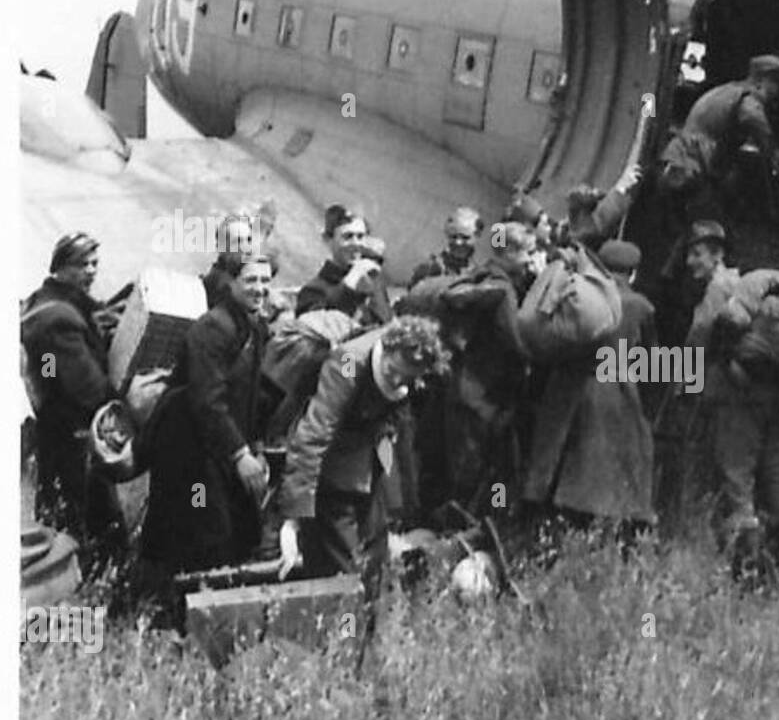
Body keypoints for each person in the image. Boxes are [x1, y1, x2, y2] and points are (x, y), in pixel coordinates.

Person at [278, 317, 448, 622]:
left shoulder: (411, 367)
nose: (396, 382)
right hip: (329, 474)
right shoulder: (347, 362)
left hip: (366, 470)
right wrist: (297, 515)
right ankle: (345, 643)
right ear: (388, 348)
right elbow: (315, 433)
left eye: (405, 379)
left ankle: (365, 642)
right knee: (344, 573)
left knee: (375, 562)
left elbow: (393, 430)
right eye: (392, 372)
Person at [137, 251, 274, 619]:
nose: (260, 289)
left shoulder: (254, 327)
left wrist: (255, 446)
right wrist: (239, 454)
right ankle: (174, 610)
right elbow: (206, 400)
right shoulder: (212, 328)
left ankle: (213, 608)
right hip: (189, 448)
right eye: (251, 281)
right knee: (200, 525)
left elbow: (252, 395)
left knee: (231, 527)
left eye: (265, 281)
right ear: (230, 283)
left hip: (220, 443)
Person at [679, 220, 779, 578]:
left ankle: (748, 568)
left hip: (737, 397)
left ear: (718, 255)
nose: (690, 262)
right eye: (690, 253)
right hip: (774, 393)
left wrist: (684, 384)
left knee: (736, 475)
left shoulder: (720, 289)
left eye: (698, 254)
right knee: (773, 467)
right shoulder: (754, 287)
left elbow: (698, 338)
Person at [522, 239, 656, 531]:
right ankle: (606, 526)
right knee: (609, 462)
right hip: (614, 389)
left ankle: (546, 522)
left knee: (558, 457)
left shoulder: (578, 297)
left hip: (565, 385)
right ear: (633, 273)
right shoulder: (641, 307)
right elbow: (648, 360)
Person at [421, 221, 537, 515]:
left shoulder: (480, 275)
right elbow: (516, 342)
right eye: (528, 253)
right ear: (509, 253)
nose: (531, 261)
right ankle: (467, 526)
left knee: (465, 464)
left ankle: (457, 522)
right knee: (479, 467)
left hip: (465, 387)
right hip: (484, 395)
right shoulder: (502, 291)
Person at [20, 232, 124, 557]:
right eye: (82, 265)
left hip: (55, 431)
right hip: (73, 437)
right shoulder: (58, 319)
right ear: (61, 268)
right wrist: (121, 397)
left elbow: (52, 370)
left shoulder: (47, 301)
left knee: (61, 517)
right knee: (93, 525)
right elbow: (86, 387)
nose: (91, 271)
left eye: (94, 263)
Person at [658, 54, 779, 235]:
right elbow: (759, 130)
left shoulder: (729, 91)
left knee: (692, 231)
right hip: (691, 167)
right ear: (762, 80)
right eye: (775, 83)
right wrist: (778, 159)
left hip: (680, 161)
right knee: (706, 230)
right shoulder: (749, 102)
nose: (777, 90)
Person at [296, 205, 393, 325]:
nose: (356, 243)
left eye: (360, 236)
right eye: (348, 237)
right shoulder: (313, 291)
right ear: (327, 239)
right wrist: (350, 283)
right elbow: (317, 330)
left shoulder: (374, 281)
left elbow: (385, 323)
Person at [409, 206, 483, 284]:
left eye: (465, 237)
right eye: (454, 237)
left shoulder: (477, 275)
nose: (458, 242)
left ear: (476, 236)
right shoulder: (429, 268)